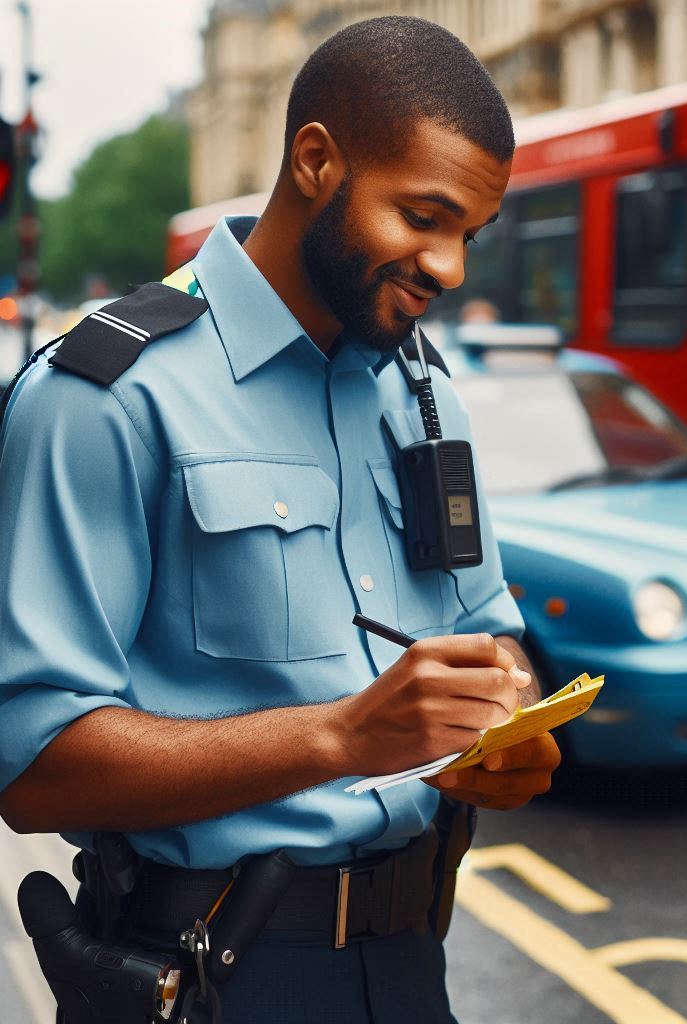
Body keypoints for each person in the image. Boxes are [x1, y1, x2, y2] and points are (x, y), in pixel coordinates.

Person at [0, 17, 559, 1024]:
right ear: (315, 160)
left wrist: (506, 723)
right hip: (209, 974)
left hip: (413, 959)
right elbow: (33, 769)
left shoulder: (425, 390)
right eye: (423, 216)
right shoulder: (105, 396)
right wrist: (342, 737)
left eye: (468, 235)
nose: (450, 268)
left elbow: (490, 631)